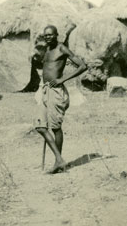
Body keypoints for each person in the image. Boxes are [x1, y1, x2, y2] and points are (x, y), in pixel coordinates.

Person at [33, 25, 87, 174]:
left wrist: (62, 79)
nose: (48, 37)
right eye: (46, 35)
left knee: (55, 128)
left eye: (50, 35)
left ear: (57, 35)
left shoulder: (62, 48)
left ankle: (58, 162)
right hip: (44, 90)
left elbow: (82, 66)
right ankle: (59, 159)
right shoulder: (47, 50)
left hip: (56, 91)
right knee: (40, 126)